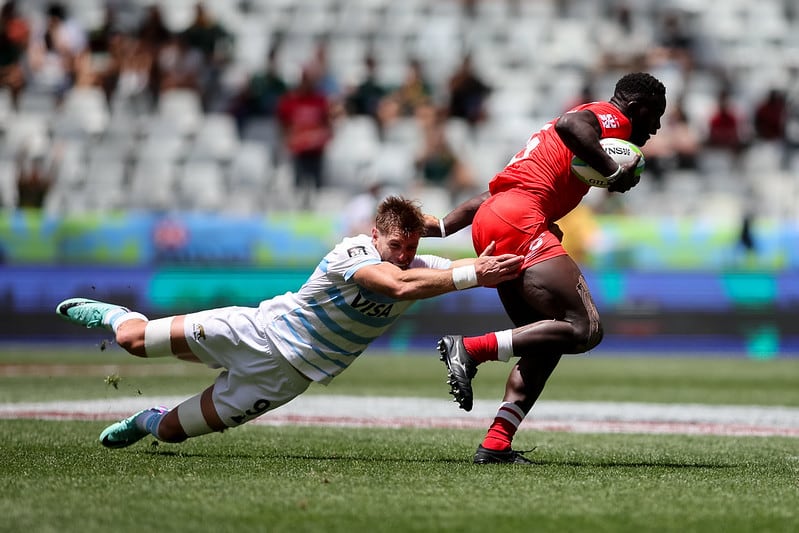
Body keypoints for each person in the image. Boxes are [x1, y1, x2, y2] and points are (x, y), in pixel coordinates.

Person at [56, 196, 523, 450]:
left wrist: (517, 218)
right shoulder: (352, 251)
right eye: (396, 246)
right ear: (375, 234)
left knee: (172, 434)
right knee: (133, 341)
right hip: (254, 332)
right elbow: (396, 288)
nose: (404, 257)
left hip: (288, 378)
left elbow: (473, 250)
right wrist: (469, 274)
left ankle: (144, 419)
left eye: (411, 248)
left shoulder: (422, 265)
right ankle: (115, 314)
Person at [425, 72, 667, 464]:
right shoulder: (609, 118)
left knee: (548, 340)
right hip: (520, 217)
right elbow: (570, 125)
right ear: (636, 107)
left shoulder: (562, 141)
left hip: (496, 214)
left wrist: (441, 226)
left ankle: (496, 443)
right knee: (584, 327)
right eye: (655, 116)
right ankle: (470, 349)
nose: (656, 128)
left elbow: (494, 192)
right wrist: (611, 169)